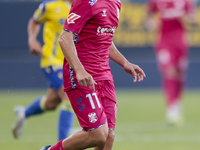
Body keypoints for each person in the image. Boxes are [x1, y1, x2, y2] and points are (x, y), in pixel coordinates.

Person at [40, 0, 146, 149]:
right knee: (98, 135)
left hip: (104, 76)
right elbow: (65, 38)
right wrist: (79, 70)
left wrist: (124, 63)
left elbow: (104, 39)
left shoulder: (116, 3)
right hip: (82, 75)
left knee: (108, 136)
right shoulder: (86, 2)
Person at [12, 0, 74, 141]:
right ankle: (62, 145)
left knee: (51, 103)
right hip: (51, 59)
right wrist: (32, 39)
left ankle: (23, 113)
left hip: (69, 63)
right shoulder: (51, 6)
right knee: (68, 95)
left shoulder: (83, 7)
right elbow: (34, 21)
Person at [145, 0, 197, 126]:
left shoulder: (185, 1)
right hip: (164, 41)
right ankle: (171, 109)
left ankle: (177, 103)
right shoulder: (156, 2)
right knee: (169, 72)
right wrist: (151, 24)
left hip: (180, 42)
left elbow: (193, 20)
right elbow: (148, 18)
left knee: (180, 74)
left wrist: (186, 19)